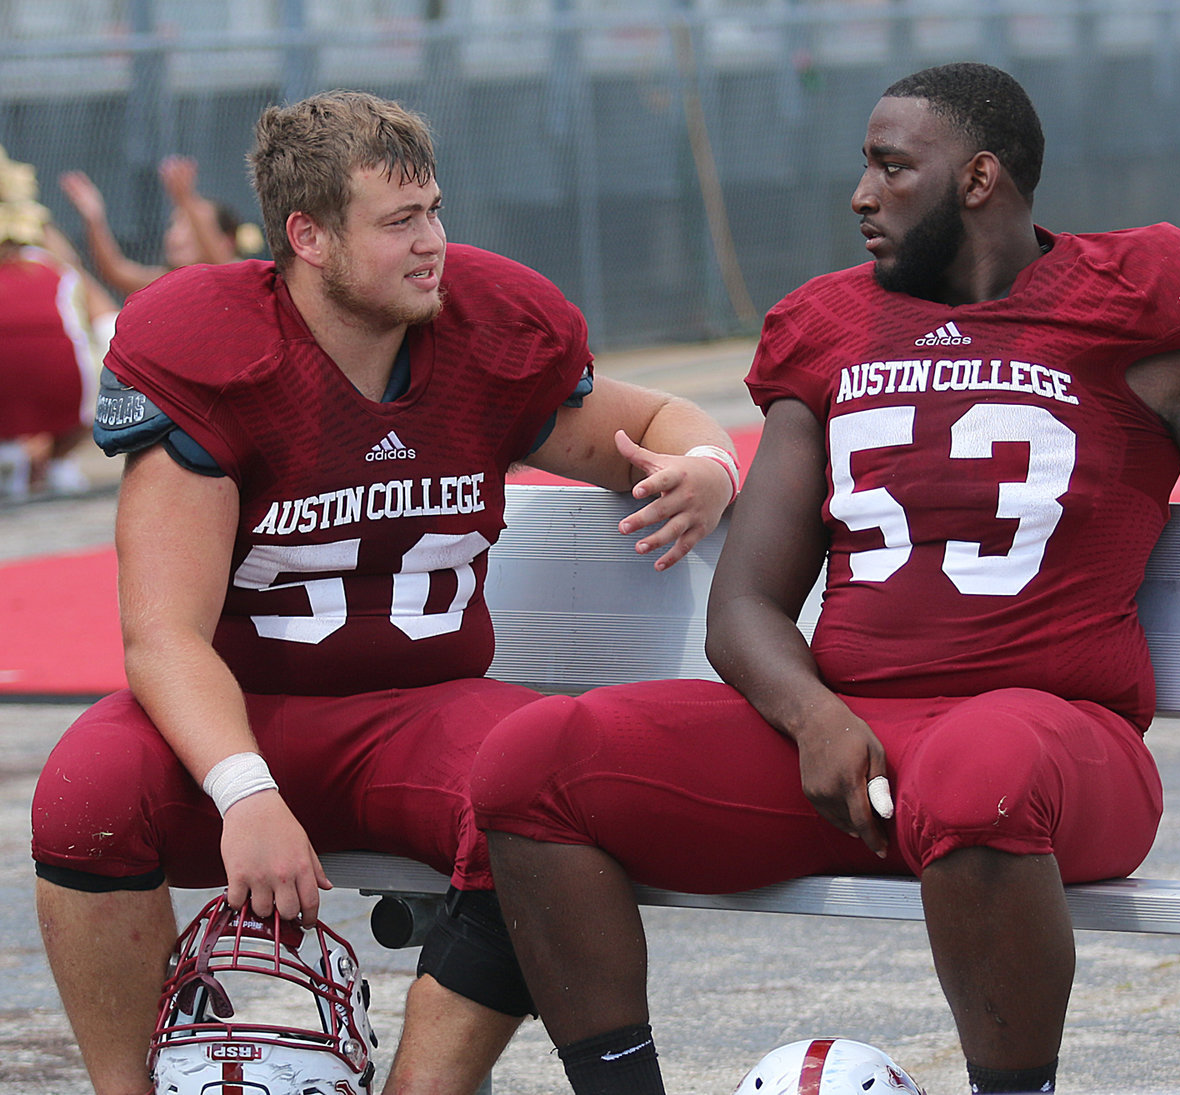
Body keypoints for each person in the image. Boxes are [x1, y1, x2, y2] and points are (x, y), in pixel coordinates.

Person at [471, 61, 1180, 1095]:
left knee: (978, 769)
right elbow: (747, 607)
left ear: (981, 178)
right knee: (531, 762)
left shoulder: (1135, 299)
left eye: (892, 167)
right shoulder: (832, 326)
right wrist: (814, 716)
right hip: (846, 750)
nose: (860, 195)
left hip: (1055, 752)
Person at [29, 89, 739, 1095]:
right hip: (246, 712)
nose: (434, 243)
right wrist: (246, 793)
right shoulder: (213, 348)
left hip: (424, 710)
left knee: (544, 799)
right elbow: (162, 636)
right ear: (306, 236)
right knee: (83, 795)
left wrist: (708, 463)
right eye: (399, 222)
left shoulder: (489, 331)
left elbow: (660, 420)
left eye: (436, 212)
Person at [0, 144, 115, 495]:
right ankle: (37, 459)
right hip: (73, 381)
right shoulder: (52, 256)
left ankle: (25, 459)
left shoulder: (49, 254)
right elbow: (103, 310)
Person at [59, 154, 247, 296]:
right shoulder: (170, 281)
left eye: (191, 226)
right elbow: (117, 271)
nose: (177, 236)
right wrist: (94, 218)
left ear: (227, 242)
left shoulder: (243, 281)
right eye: (174, 225)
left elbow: (220, 261)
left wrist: (185, 199)